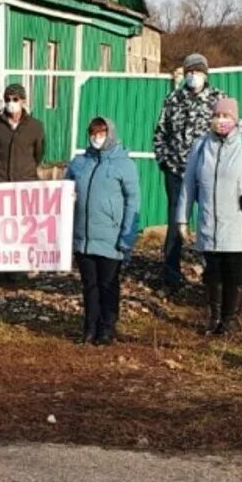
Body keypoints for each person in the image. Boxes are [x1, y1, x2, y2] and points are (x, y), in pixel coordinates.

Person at [176, 95, 242, 335]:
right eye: (216, 116)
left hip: (236, 221)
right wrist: (182, 218)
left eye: (225, 116)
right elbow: (189, 184)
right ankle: (214, 318)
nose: (220, 120)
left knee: (234, 271)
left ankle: (231, 319)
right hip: (208, 221)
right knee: (212, 272)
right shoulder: (202, 145)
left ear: (235, 119)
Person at [64, 116, 141, 345]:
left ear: (110, 134)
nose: (97, 138)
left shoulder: (123, 163)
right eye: (93, 133)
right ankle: (89, 327)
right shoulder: (79, 162)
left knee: (108, 284)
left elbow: (133, 200)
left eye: (101, 133)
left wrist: (127, 235)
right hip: (83, 237)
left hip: (111, 236)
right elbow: (63, 193)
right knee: (89, 284)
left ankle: (107, 327)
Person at [153, 53, 219, 291]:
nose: (193, 76)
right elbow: (160, 133)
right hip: (176, 172)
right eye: (190, 71)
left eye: (198, 71)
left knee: (208, 221)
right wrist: (164, 161)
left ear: (206, 74)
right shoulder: (172, 99)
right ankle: (171, 274)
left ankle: (211, 274)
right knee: (175, 222)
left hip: (206, 173)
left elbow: (228, 134)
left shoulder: (217, 99)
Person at [0, 83, 46, 182]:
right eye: (7, 99)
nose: (11, 103)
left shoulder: (35, 127)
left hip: (25, 181)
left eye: (15, 99)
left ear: (23, 101)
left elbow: (39, 154)